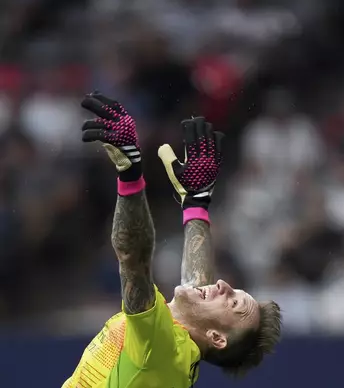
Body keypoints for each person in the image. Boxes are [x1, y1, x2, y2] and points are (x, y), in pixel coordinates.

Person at [62, 92, 282, 388]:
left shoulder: (161, 350)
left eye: (232, 303)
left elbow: (132, 259)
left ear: (217, 338)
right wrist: (196, 205)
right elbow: (198, 282)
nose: (224, 285)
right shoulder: (182, 343)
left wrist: (130, 174)